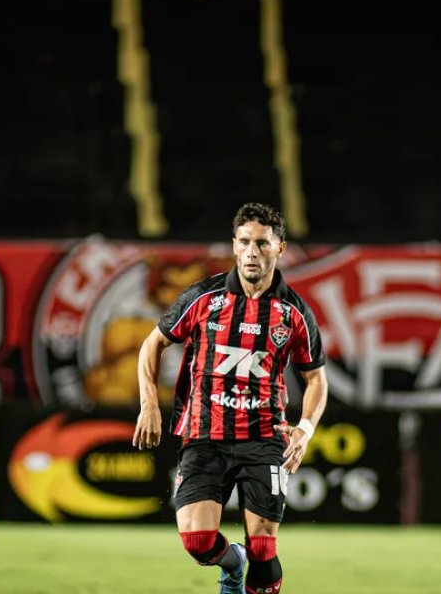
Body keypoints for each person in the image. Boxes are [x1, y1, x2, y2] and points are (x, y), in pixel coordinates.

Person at [133, 202, 328, 594]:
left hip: (264, 439)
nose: (252, 252)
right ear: (234, 246)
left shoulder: (294, 312)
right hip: (205, 436)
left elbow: (317, 379)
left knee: (263, 545)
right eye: (244, 242)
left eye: (261, 243)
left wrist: (305, 430)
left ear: (280, 248)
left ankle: (251, 564)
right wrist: (149, 403)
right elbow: (152, 345)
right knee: (198, 543)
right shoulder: (203, 297)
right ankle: (231, 561)